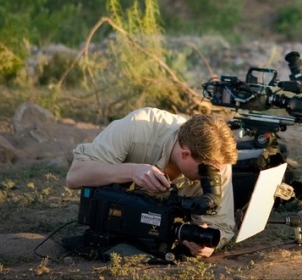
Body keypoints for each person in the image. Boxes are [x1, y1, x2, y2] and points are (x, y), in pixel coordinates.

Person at [65, 107, 239, 258]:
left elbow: (221, 224)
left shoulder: (218, 160)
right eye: (207, 171)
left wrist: (209, 246)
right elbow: (75, 176)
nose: (214, 175)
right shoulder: (137, 127)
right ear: (185, 154)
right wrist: (131, 171)